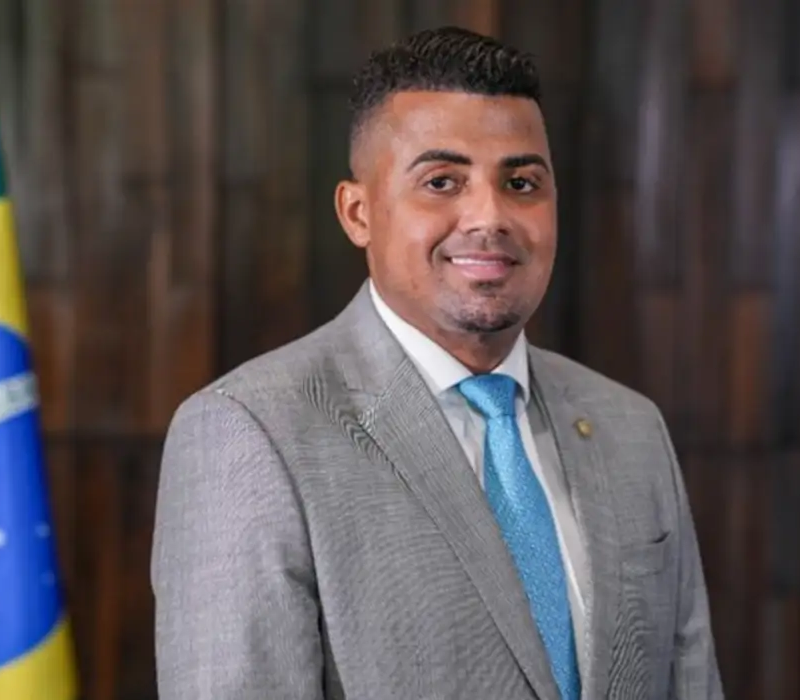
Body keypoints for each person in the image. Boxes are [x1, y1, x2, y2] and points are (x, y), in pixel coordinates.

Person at [151, 26, 723, 700]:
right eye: (442, 181)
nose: (489, 216)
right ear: (358, 213)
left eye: (521, 182)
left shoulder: (631, 428)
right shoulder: (250, 433)